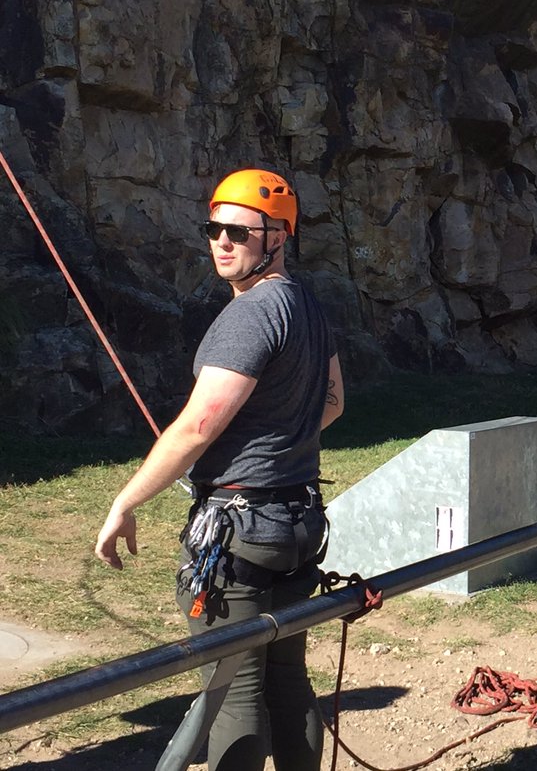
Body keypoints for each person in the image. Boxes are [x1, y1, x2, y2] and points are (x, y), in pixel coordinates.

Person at [95, 169, 344, 770]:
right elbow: (332, 402)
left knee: (232, 688)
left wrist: (124, 503)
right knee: (286, 679)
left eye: (240, 230)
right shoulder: (304, 303)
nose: (223, 242)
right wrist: (275, 442)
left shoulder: (251, 315)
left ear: (278, 237)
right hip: (297, 520)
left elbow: (197, 426)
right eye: (214, 229)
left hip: (240, 533)